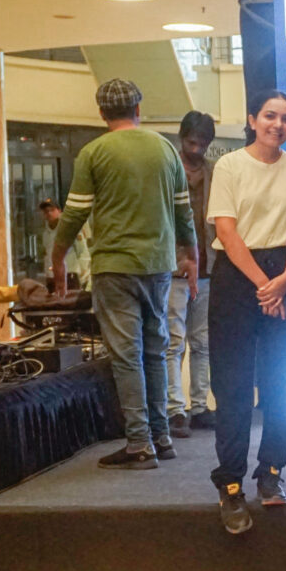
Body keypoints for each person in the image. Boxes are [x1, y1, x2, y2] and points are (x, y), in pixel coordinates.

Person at [52, 78, 198, 471]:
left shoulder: (94, 152)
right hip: (159, 265)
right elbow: (184, 210)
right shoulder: (165, 148)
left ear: (101, 113)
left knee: (126, 356)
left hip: (115, 266)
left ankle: (138, 444)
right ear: (139, 107)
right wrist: (192, 255)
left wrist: (58, 256)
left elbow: (75, 212)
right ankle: (162, 436)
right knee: (156, 349)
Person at [208, 89, 286, 534]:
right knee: (232, 387)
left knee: (281, 383)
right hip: (237, 276)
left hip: (284, 276)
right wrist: (263, 284)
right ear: (253, 119)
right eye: (270, 116)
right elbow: (227, 232)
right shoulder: (229, 165)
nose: (278, 125)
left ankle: (271, 473)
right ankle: (230, 484)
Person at [165, 111, 217, 437]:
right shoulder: (167, 170)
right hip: (173, 268)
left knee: (203, 343)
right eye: (191, 142)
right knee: (172, 343)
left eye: (202, 144)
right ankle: (173, 410)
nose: (196, 149)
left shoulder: (215, 172)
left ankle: (199, 406)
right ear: (181, 138)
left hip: (209, 267)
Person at [38, 199, 91, 288]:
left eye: (52, 210)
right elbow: (46, 255)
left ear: (59, 211)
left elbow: (82, 251)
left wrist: (84, 275)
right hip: (52, 277)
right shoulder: (45, 234)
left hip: (69, 275)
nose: (49, 213)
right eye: (46, 212)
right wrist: (48, 275)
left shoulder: (69, 228)